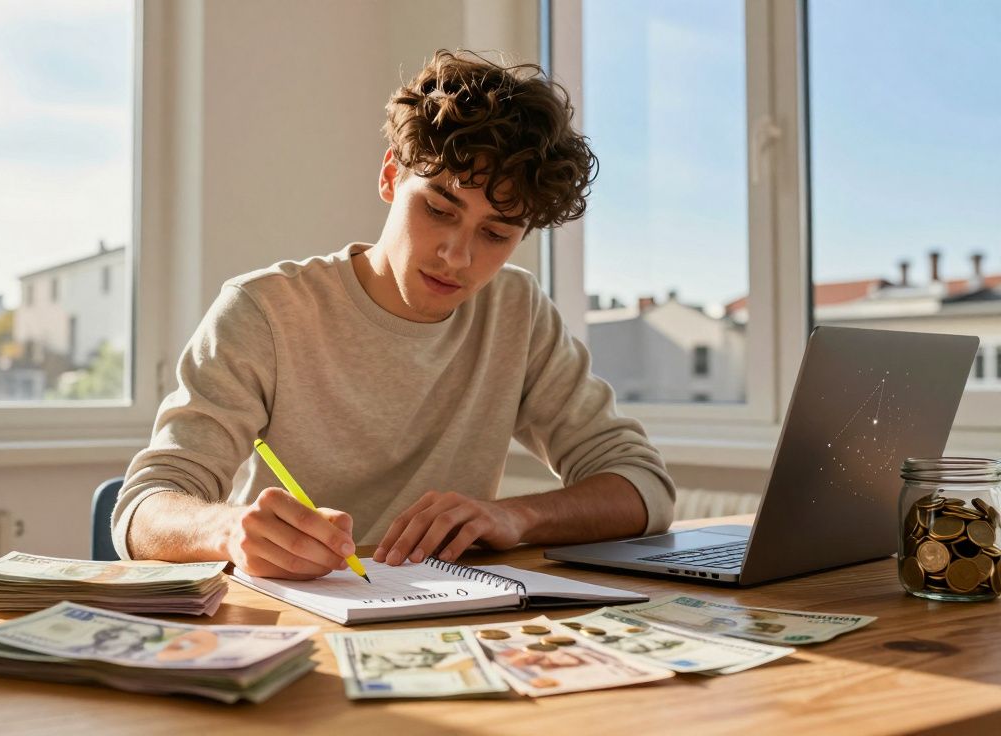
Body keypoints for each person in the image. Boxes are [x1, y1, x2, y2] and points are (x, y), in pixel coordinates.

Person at [112, 49, 675, 579]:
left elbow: (642, 487)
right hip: (297, 620)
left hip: (458, 618)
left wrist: (516, 516)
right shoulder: (265, 310)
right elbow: (142, 511)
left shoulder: (517, 311)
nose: (458, 256)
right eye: (437, 208)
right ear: (389, 177)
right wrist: (229, 529)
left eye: (496, 233)